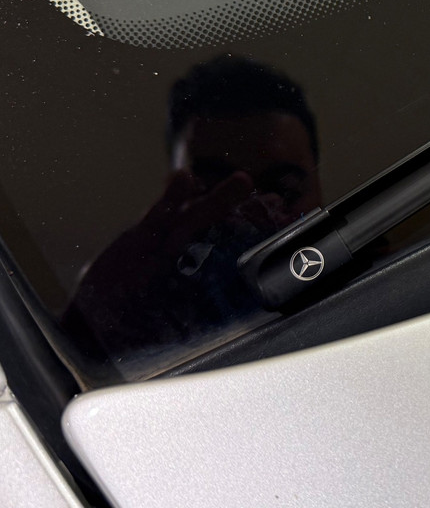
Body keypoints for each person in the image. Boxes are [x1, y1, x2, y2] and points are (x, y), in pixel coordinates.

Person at [63, 56, 322, 358]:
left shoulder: (365, 273)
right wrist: (94, 319)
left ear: (320, 186)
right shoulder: (131, 299)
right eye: (212, 190)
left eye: (285, 189)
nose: (253, 215)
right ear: (175, 189)